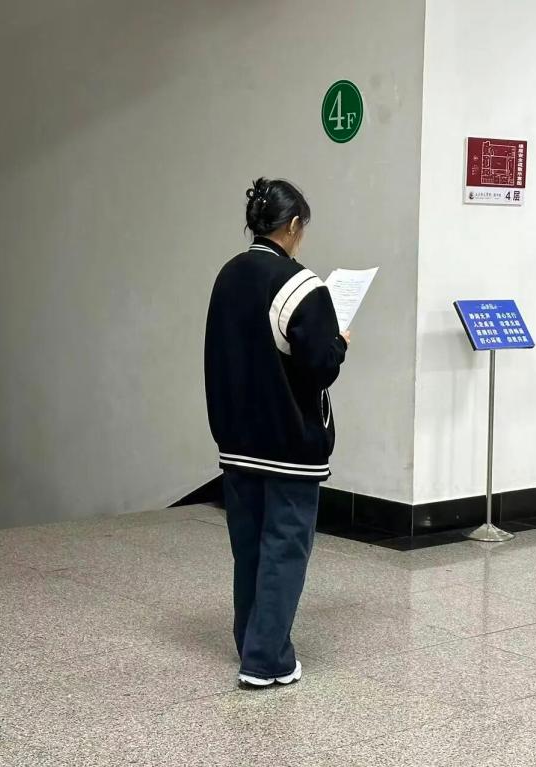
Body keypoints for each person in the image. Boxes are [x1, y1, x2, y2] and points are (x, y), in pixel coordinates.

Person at [204, 178, 350, 688]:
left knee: (248, 548)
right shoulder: (302, 285)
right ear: (292, 226)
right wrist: (340, 342)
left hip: (236, 440)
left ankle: (250, 641)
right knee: (285, 548)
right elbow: (320, 366)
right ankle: (267, 661)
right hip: (289, 443)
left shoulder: (228, 275)